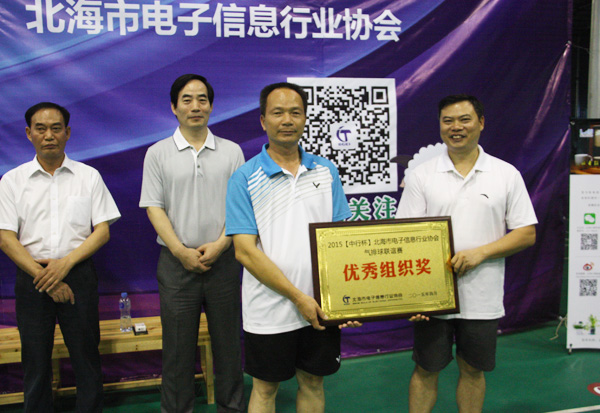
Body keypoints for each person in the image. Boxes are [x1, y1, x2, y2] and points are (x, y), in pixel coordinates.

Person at [395, 94, 537, 412]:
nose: (455, 127)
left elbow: (526, 233)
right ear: (440, 125)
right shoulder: (421, 175)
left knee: (473, 370)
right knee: (426, 369)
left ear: (481, 123)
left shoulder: (505, 174)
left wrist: (481, 253)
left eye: (464, 119)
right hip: (432, 296)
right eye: (448, 121)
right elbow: (405, 236)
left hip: (482, 297)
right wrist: (413, 296)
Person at [226, 82, 360, 413]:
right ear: (263, 120)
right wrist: (298, 297)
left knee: (313, 382)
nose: (287, 120)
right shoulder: (244, 178)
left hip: (321, 305)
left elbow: (340, 238)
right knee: (265, 388)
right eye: (278, 113)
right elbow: (245, 251)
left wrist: (349, 299)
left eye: (295, 112)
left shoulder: (326, 171)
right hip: (269, 310)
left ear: (305, 119)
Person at [0, 102, 121, 412]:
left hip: (77, 274)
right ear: (28, 133)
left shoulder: (88, 176)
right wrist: (47, 277)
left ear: (67, 132)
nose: (49, 135)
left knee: (86, 356)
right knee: (35, 360)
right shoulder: (12, 180)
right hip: (32, 277)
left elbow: (102, 231)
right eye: (40, 129)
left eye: (56, 128)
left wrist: (64, 265)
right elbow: (5, 237)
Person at [139, 74, 245, 413]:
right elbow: (153, 207)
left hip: (223, 261)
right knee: (177, 350)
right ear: (174, 107)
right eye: (187, 99)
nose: (195, 106)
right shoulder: (157, 153)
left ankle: (231, 407)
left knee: (228, 346)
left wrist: (221, 245)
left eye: (202, 99)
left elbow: (241, 207)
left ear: (211, 106)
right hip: (176, 263)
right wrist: (180, 251)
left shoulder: (231, 151)